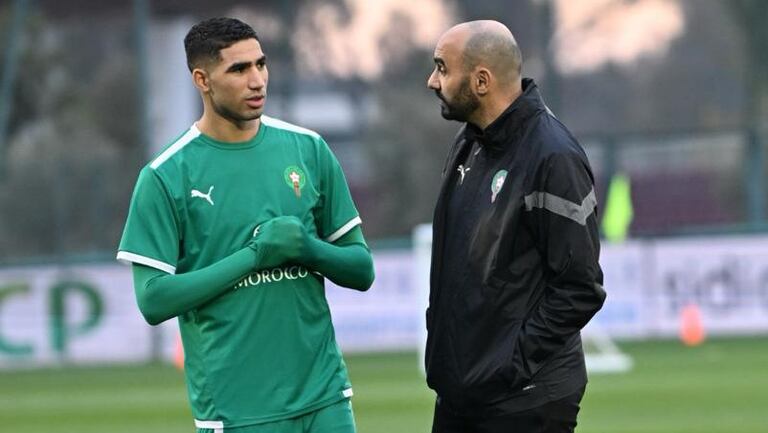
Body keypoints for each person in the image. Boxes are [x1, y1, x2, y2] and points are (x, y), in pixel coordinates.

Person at [116, 17, 374, 433]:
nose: (257, 81)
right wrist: (254, 257)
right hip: (236, 412)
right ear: (202, 80)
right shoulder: (165, 175)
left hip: (326, 399)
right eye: (238, 69)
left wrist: (308, 248)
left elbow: (362, 270)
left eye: (261, 64)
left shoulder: (308, 149)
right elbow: (153, 300)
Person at [424, 20, 606, 433]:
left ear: (481, 81)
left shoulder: (553, 156)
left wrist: (508, 364)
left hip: (524, 399)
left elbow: (580, 288)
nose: (432, 81)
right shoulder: (469, 142)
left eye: (442, 68)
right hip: (462, 395)